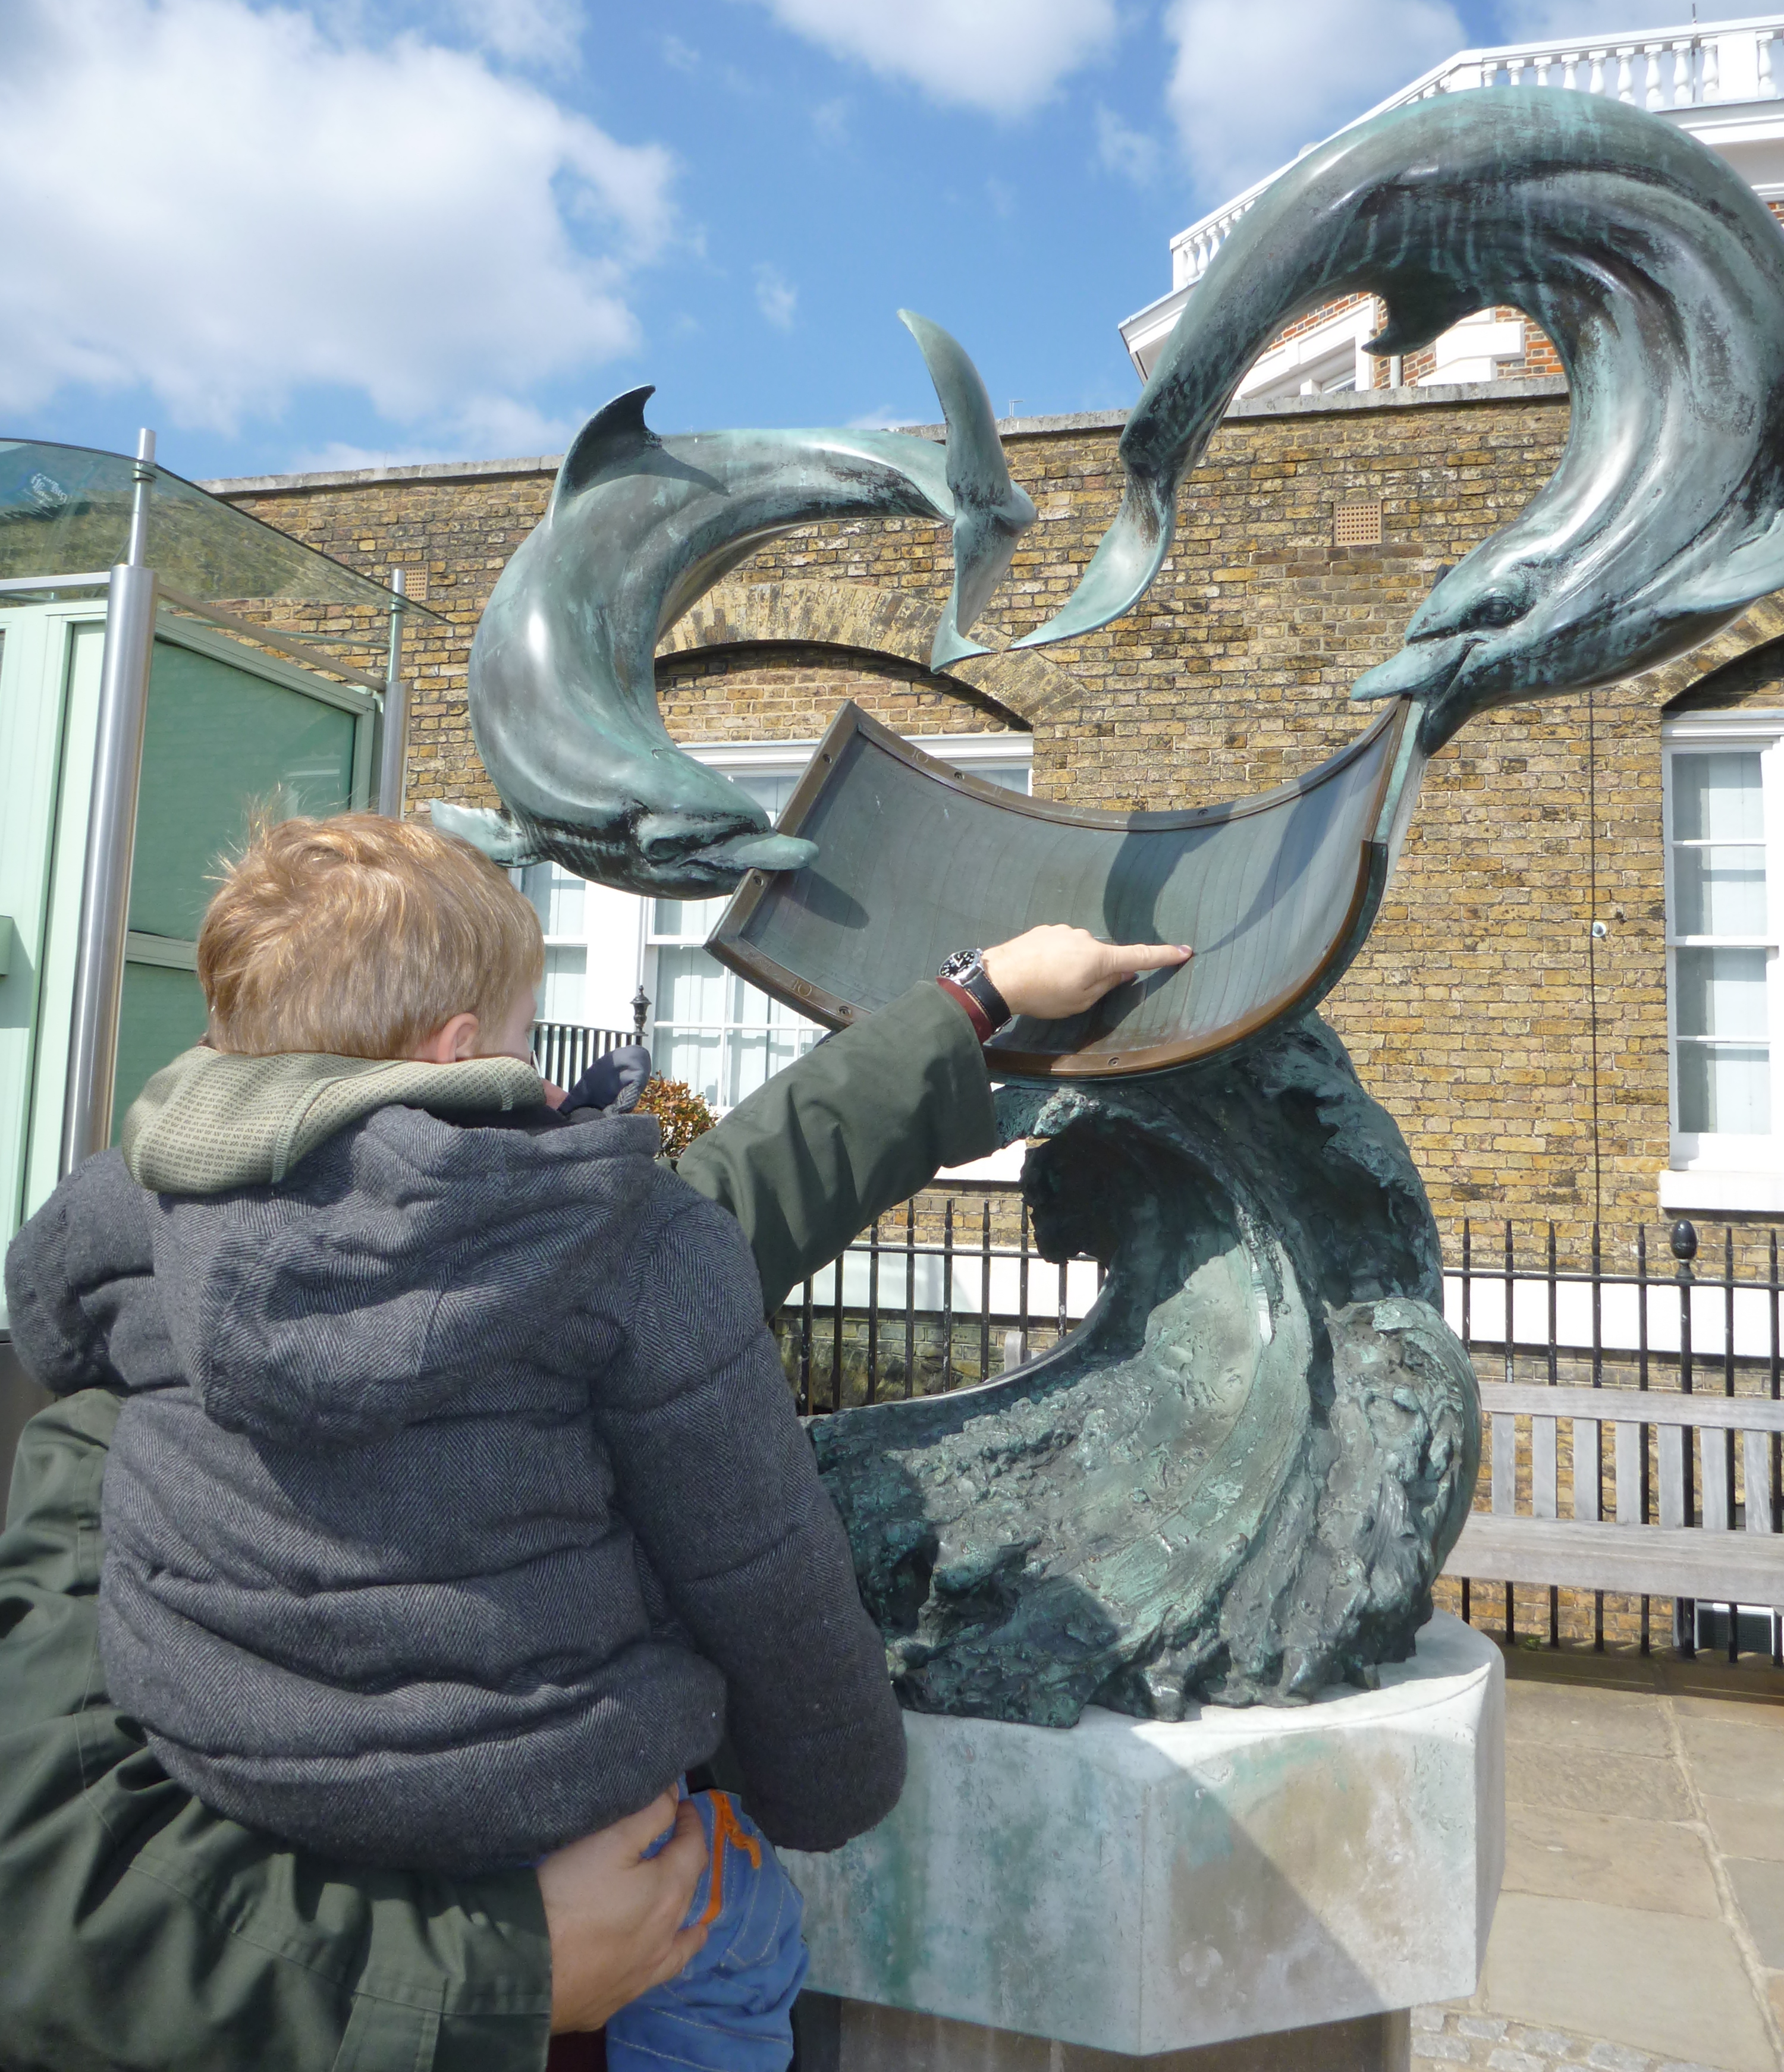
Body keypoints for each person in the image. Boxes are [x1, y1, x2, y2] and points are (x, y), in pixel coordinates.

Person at [0, 818, 1187, 2071]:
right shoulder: (579, 1249)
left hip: (265, 1780)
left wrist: (976, 996)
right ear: (460, 1047)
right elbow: (45, 1879)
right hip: (570, 1854)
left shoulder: (144, 1253)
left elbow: (717, 1205)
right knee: (741, 1944)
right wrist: (508, 1966)